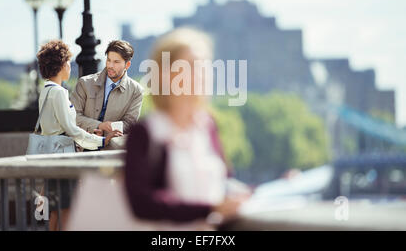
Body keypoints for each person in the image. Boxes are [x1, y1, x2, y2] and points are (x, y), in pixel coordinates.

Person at [124, 27, 251, 230]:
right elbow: (142, 203)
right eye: (191, 65)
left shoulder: (207, 125)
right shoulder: (146, 132)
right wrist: (209, 209)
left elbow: (224, 181)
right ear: (165, 74)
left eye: (205, 66)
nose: (202, 73)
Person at [36, 40, 123, 231]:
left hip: (51, 154)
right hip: (63, 157)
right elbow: (72, 130)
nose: (70, 66)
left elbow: (57, 126)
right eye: (68, 62)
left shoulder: (46, 90)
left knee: (56, 211)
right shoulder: (59, 93)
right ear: (60, 65)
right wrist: (101, 140)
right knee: (67, 208)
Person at [70, 40, 144, 151]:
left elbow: (129, 124)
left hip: (111, 152)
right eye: (108, 60)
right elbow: (73, 116)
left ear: (127, 65)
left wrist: (106, 133)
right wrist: (98, 126)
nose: (110, 65)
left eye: (116, 62)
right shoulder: (84, 83)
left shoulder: (136, 91)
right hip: (82, 147)